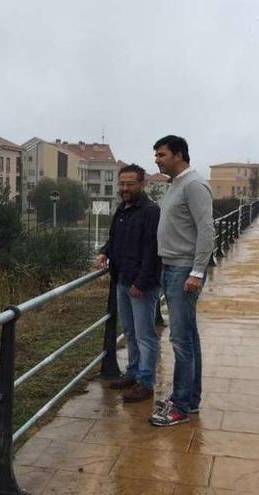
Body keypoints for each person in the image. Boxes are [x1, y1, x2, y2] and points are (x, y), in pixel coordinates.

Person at [149, 135, 214, 427]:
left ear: (179, 155)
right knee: (188, 337)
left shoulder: (194, 185)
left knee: (180, 340)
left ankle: (180, 405)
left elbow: (206, 230)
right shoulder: (175, 185)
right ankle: (190, 399)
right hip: (171, 266)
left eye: (161, 154)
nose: (157, 159)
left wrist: (197, 271)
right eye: (156, 155)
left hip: (183, 269)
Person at [94, 164, 162, 403]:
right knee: (130, 333)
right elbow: (115, 239)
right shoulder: (123, 209)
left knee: (145, 335)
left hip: (140, 285)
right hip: (121, 280)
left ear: (141, 185)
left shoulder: (151, 212)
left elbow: (153, 251)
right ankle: (132, 373)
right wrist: (104, 252)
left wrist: (141, 283)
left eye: (130, 183)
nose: (124, 188)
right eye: (121, 184)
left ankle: (146, 382)